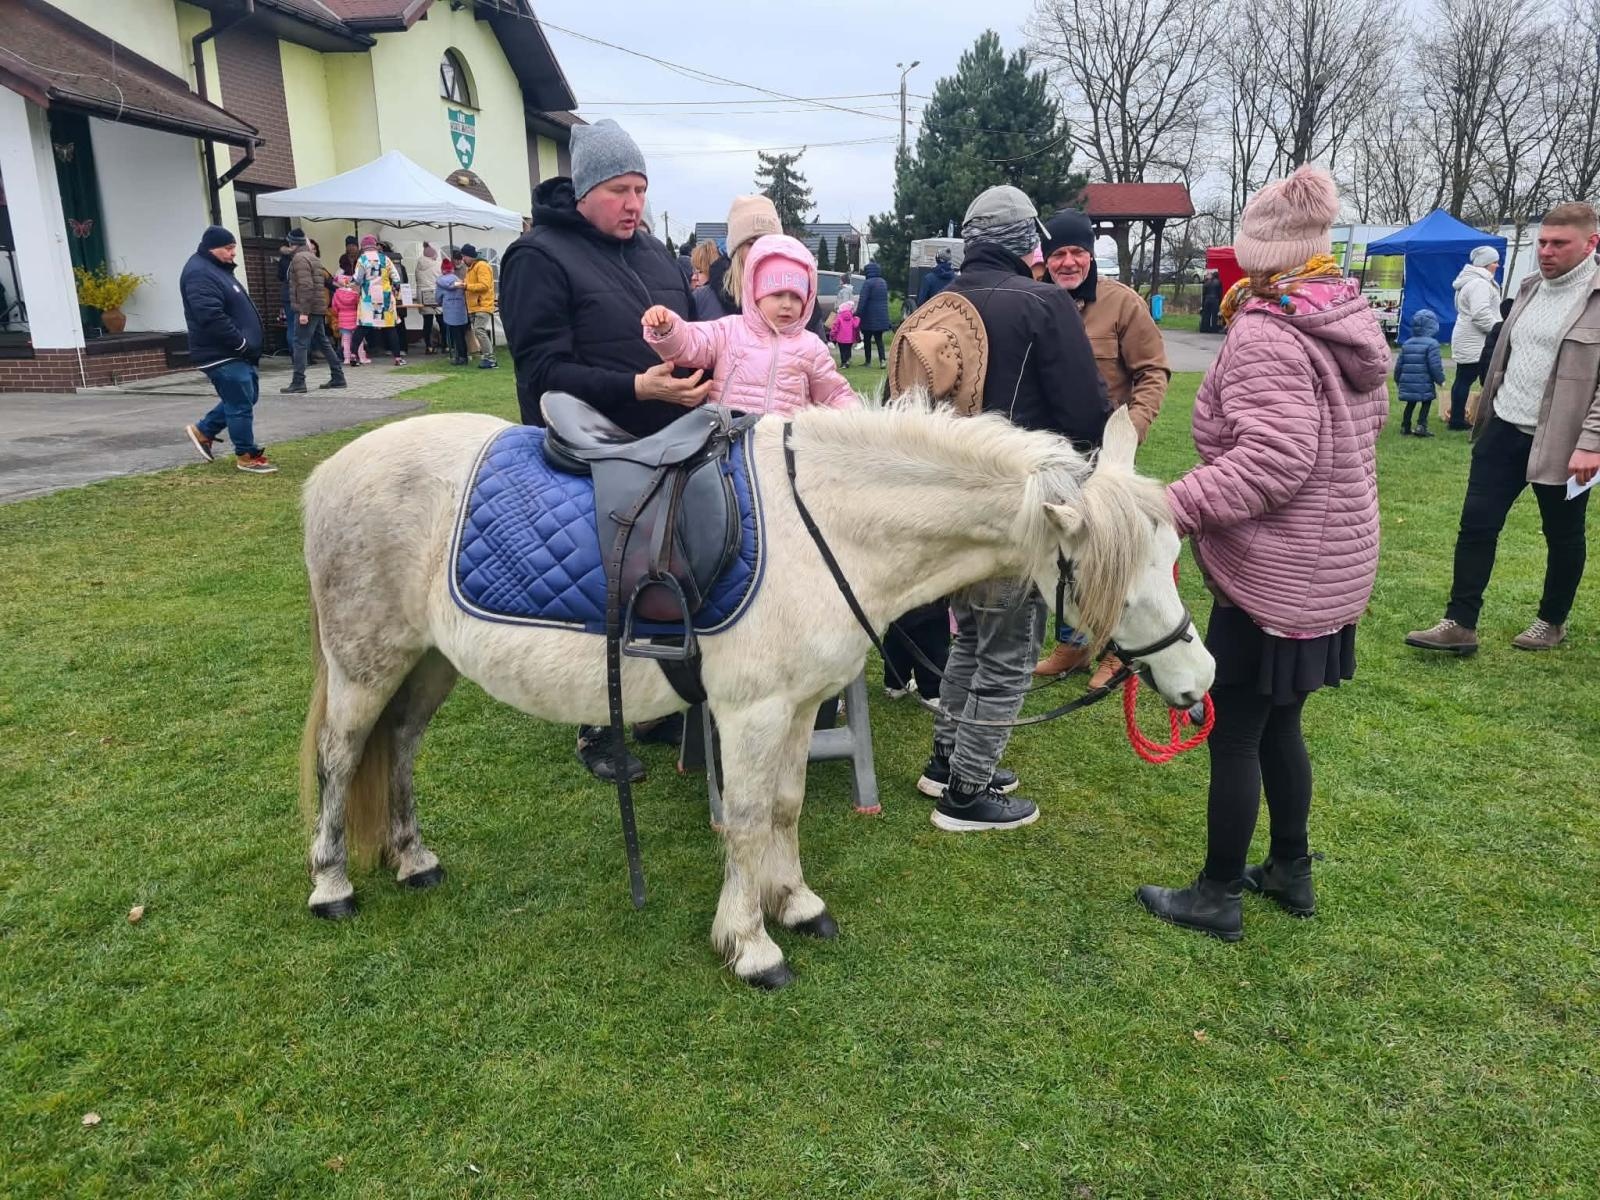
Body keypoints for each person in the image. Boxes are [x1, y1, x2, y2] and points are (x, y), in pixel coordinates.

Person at [1135, 165, 1388, 940]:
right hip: (1329, 564)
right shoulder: (1342, 313)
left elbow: (1274, 463)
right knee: (1282, 725)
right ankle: (1290, 869)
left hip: (1279, 573)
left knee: (1239, 729)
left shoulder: (1266, 332)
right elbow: (1358, 431)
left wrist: (1172, 508)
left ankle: (1217, 894)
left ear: (1258, 253)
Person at [499, 118, 710, 782]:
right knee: (602, 585)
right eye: (620, 189)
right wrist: (635, 386)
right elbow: (540, 372)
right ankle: (596, 721)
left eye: (641, 189)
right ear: (586, 189)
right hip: (586, 450)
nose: (633, 204)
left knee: (680, 572)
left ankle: (654, 700)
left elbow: (696, 334)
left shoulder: (656, 255)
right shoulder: (539, 255)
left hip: (672, 441)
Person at [906, 184, 1110, 833]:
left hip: (945, 507)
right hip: (1013, 508)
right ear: (1030, 245)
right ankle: (967, 793)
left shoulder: (930, 307)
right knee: (1008, 649)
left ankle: (949, 759)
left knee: (972, 635)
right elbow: (1085, 416)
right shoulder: (1046, 303)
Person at [1406, 202, 1600, 656]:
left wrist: (1591, 443)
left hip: (1563, 442)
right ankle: (1460, 624)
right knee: (1476, 524)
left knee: (1563, 533)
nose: (1546, 252)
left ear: (1592, 243)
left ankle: (1551, 621)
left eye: (1558, 243)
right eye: (1542, 242)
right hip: (1504, 429)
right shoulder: (1529, 289)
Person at [1032, 207, 1171, 684]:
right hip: (1049, 455)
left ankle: (1117, 650)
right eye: (1058, 254)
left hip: (1104, 455)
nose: (1068, 262)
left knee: (1110, 554)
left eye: (1077, 253)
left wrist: (1130, 431)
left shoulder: (1122, 304)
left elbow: (1153, 371)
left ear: (1091, 255)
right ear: (1046, 259)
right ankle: (1074, 646)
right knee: (1063, 556)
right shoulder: (1036, 299)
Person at [640, 234, 856, 415]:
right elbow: (691, 343)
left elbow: (834, 393)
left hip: (782, 450)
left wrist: (855, 416)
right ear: (756, 294)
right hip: (727, 443)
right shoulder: (730, 330)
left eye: (796, 297)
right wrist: (668, 329)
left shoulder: (812, 348)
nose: (787, 304)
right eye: (777, 294)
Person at [180, 225, 274, 474]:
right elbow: (210, 316)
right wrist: (240, 342)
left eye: (234, 248)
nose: (234, 253)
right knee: (240, 403)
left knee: (246, 396)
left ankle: (204, 430)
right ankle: (246, 454)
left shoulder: (217, 270)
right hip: (221, 352)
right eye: (229, 248)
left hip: (235, 352)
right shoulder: (199, 273)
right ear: (212, 248)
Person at [283, 227, 346, 394]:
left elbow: (305, 286)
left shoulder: (299, 259)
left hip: (308, 308)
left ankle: (298, 382)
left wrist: (303, 312)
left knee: (300, 344)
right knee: (324, 342)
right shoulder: (313, 258)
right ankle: (338, 377)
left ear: (292, 243)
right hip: (318, 307)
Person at [1447, 246, 1502, 429]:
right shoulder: (1479, 284)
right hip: (1477, 340)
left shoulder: (1471, 282)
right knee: (1477, 381)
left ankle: (1457, 418)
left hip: (1469, 337)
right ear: (1485, 264)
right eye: (1494, 262)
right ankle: (1466, 420)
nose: (1497, 265)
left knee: (1463, 379)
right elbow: (1480, 314)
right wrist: (1499, 331)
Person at [352, 235, 406, 366]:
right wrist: (396, 289)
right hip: (385, 297)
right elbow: (396, 277)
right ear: (375, 245)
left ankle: (353, 356)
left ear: (363, 247)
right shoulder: (385, 258)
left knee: (363, 326)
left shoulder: (362, 259)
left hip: (368, 298)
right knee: (390, 327)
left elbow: (357, 279)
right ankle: (398, 358)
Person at [1393, 308, 1445, 437]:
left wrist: (1397, 378)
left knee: (1410, 404)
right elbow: (1435, 365)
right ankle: (1421, 426)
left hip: (1409, 382)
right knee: (1426, 402)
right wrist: (1440, 379)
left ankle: (1405, 426)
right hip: (1424, 381)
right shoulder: (1432, 344)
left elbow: (1399, 364)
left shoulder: (1407, 343)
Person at [457, 244, 497, 369]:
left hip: (482, 304)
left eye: (464, 256)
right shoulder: (472, 268)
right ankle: (487, 358)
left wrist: (466, 286)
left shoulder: (481, 266)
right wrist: (464, 283)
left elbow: (484, 285)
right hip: (475, 306)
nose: (463, 259)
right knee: (478, 331)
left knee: (479, 330)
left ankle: (490, 358)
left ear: (469, 256)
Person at [855, 261, 891, 367]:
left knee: (867, 340)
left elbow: (863, 300)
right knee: (879, 339)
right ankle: (882, 360)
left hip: (869, 317)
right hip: (881, 316)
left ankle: (868, 361)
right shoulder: (883, 282)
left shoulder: (868, 283)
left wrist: (858, 314)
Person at [435, 258, 469, 365]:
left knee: (454, 336)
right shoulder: (459, 281)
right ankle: (464, 356)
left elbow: (438, 298)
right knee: (462, 335)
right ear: (452, 269)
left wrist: (442, 302)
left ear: (442, 269)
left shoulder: (440, 283)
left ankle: (459, 357)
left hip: (449, 312)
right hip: (461, 310)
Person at [414, 242, 442, 354]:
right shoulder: (437, 265)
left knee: (427, 321)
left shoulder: (419, 265)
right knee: (441, 319)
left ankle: (428, 346)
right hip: (435, 293)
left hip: (422, 294)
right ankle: (445, 345)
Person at [331, 273, 361, 365]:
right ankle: (361, 356)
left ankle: (346, 358)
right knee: (358, 339)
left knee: (346, 340)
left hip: (343, 318)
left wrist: (339, 313)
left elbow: (334, 307)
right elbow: (358, 305)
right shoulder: (355, 294)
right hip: (354, 317)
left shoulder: (337, 294)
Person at [832, 299, 860, 366]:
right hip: (849, 338)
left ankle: (843, 362)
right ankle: (847, 360)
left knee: (842, 351)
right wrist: (857, 319)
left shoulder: (839, 317)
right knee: (848, 349)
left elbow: (835, 327)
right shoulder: (852, 318)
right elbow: (855, 326)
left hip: (840, 338)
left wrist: (832, 334)